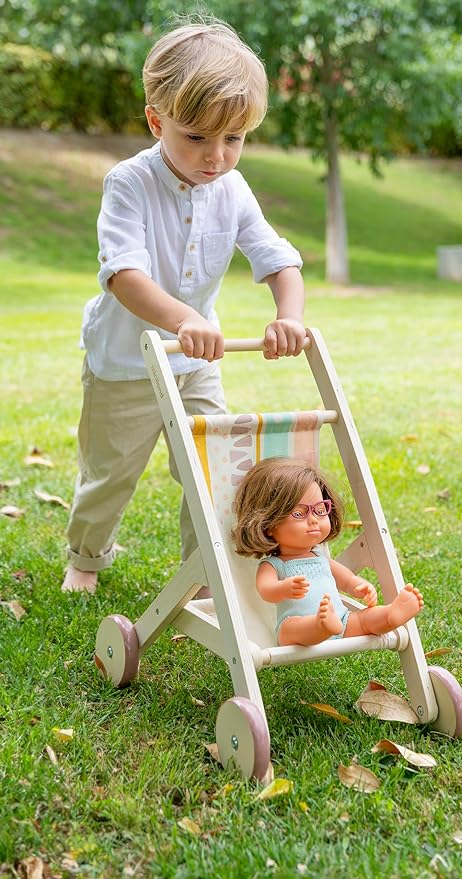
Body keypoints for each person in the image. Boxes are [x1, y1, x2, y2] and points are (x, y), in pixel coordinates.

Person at [62, 18, 306, 594]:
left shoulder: (233, 188)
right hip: (124, 363)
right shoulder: (129, 183)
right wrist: (184, 319)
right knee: (110, 474)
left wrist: (289, 313)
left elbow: (277, 258)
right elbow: (124, 275)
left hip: (196, 363)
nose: (216, 157)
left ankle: (205, 574)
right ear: (157, 120)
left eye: (234, 140)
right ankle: (87, 558)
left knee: (214, 470)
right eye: (197, 137)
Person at [232, 458, 424, 647]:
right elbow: (266, 590)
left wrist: (358, 586)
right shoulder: (274, 565)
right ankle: (320, 625)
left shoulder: (321, 558)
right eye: (299, 513)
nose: (314, 520)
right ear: (268, 525)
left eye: (320, 510)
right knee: (292, 627)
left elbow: (346, 580)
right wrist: (283, 589)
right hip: (295, 627)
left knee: (365, 619)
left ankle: (391, 615)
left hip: (341, 620)